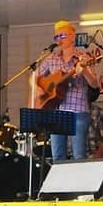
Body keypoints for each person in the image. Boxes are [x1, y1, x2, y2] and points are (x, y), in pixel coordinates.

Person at [36, 20, 99, 161]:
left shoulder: (83, 57)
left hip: (78, 111)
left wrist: (84, 73)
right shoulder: (51, 59)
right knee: (57, 156)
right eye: (56, 37)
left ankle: (79, 183)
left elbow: (94, 84)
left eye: (62, 36)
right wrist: (42, 91)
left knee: (79, 155)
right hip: (57, 112)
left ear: (72, 36)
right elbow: (36, 79)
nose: (59, 40)